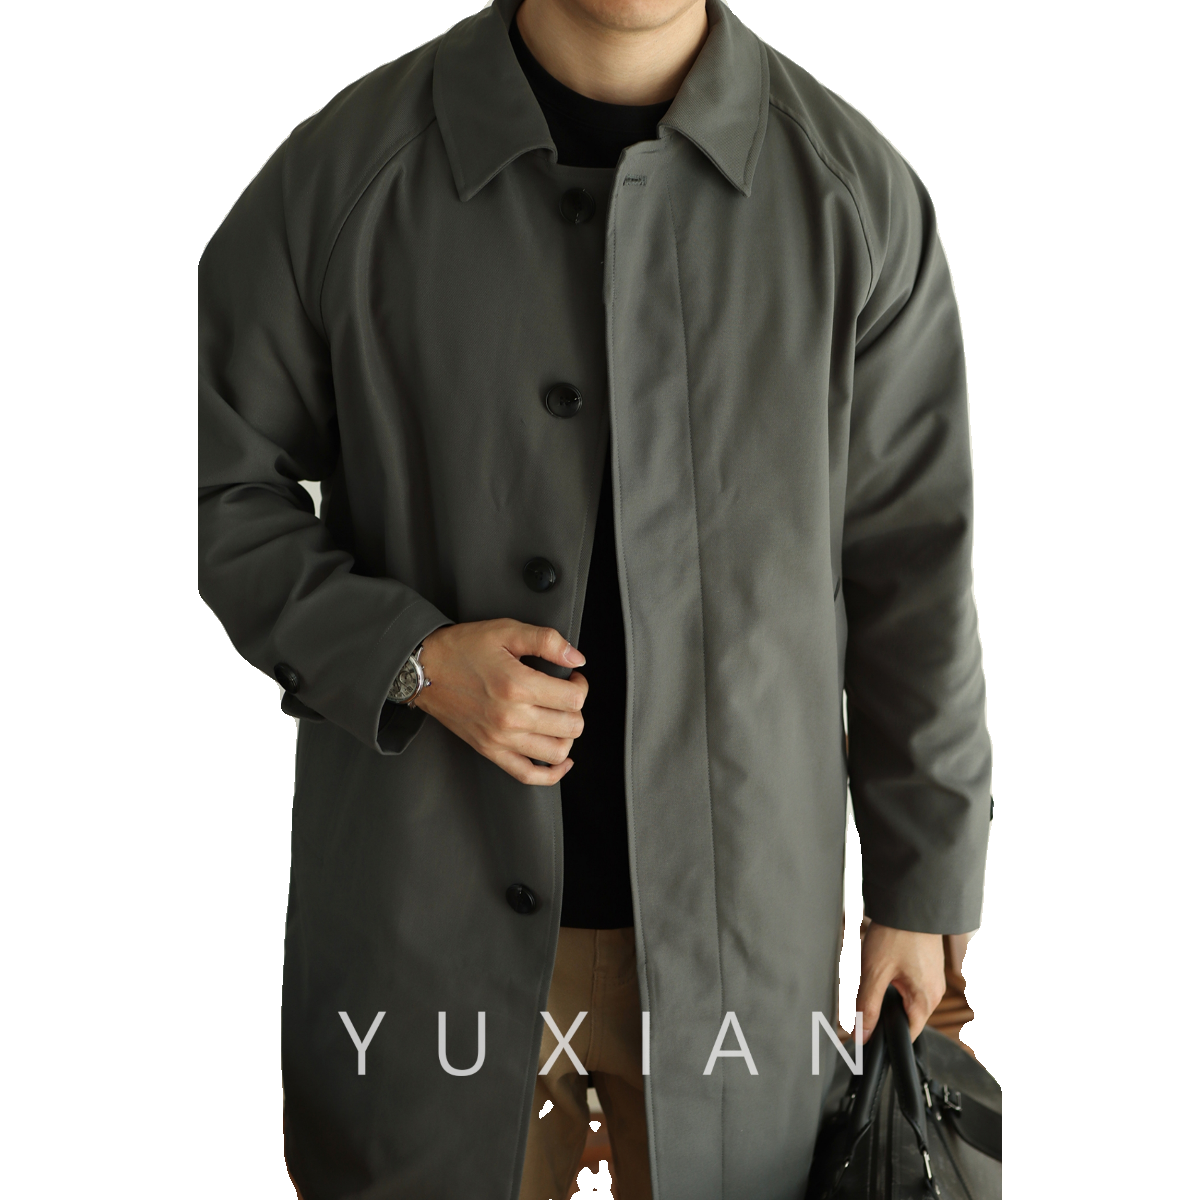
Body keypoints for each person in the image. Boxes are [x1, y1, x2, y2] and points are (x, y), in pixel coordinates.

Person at [197, 0, 992, 1197]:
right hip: (423, 935)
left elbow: (914, 566)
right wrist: (410, 658)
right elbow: (211, 479)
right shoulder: (350, 173)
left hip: (744, 955)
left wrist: (921, 888)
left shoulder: (851, 199)